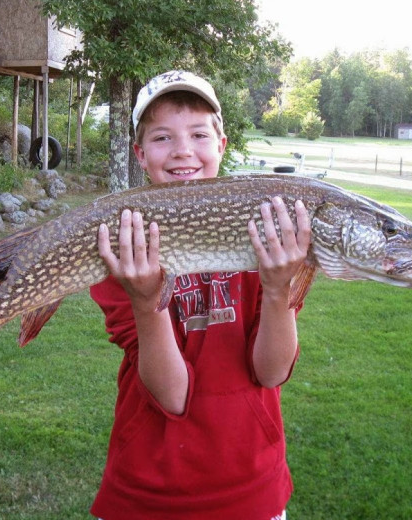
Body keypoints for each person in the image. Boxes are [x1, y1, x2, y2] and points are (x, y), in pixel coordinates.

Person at [90, 70, 310, 520]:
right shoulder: (120, 248)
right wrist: (148, 300)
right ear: (141, 153)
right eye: (162, 137)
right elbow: (172, 395)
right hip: (148, 495)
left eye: (198, 134)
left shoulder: (272, 240)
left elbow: (270, 373)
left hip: (254, 490)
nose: (183, 150)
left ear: (221, 145)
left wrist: (278, 287)